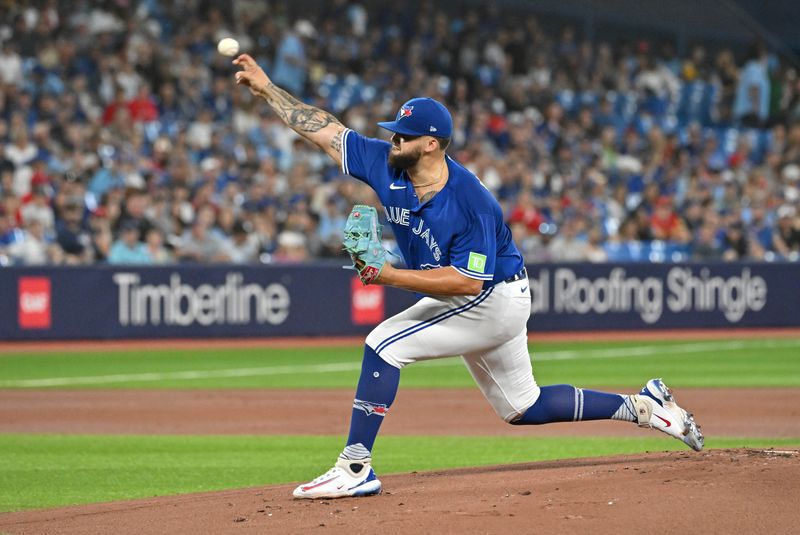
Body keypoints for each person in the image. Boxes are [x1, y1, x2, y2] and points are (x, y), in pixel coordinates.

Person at [232, 53, 704, 500]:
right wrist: (266, 88)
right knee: (522, 407)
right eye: (394, 133)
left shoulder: (471, 200)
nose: (393, 140)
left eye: (403, 136)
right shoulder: (387, 165)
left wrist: (388, 275)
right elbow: (325, 131)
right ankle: (645, 407)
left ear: (430, 144)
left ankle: (355, 468)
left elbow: (467, 283)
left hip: (491, 297)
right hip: (487, 296)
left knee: (383, 345)